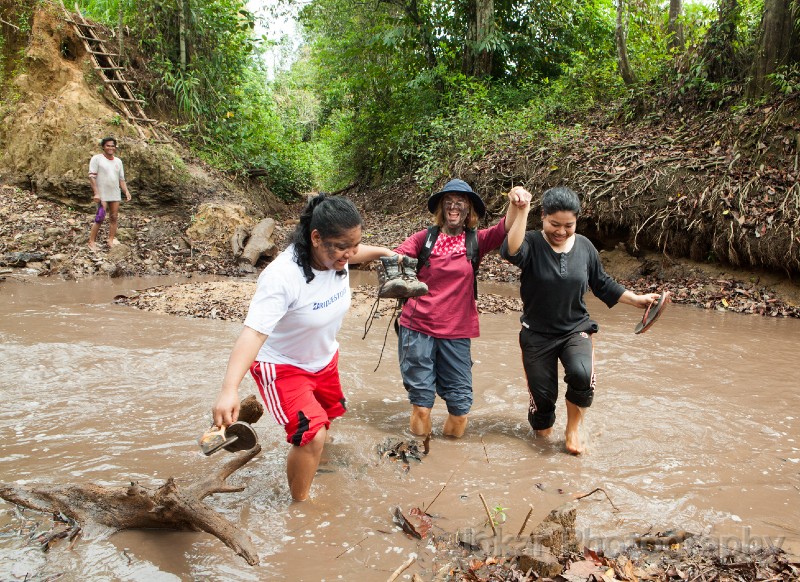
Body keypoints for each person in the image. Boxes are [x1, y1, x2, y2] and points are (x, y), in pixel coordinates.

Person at [211, 194, 396, 502]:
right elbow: (253, 334)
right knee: (312, 435)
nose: (349, 255)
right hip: (282, 367)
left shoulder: (339, 254)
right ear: (315, 237)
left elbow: (358, 251)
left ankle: (315, 461)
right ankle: (301, 505)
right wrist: (229, 388)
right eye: (341, 246)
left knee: (329, 417)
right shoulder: (283, 277)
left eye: (354, 245)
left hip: (324, 361)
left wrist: (388, 253)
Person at [500, 186, 662, 455]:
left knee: (582, 375)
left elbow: (601, 283)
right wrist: (522, 209)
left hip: (574, 330)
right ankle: (542, 440)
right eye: (554, 224)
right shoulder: (531, 242)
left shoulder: (585, 247)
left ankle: (572, 430)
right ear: (542, 217)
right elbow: (510, 250)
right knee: (542, 400)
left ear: (577, 221)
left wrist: (636, 299)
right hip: (536, 334)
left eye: (568, 225)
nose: (561, 231)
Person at [393, 179, 531, 438]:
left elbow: (505, 228)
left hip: (457, 333)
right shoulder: (424, 239)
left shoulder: (476, 241)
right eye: (449, 203)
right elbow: (397, 256)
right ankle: (424, 460)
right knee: (422, 406)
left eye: (460, 203)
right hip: (417, 328)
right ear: (442, 209)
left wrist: (516, 201)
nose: (454, 207)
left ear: (469, 211)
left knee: (460, 409)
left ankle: (448, 457)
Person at [88, 136, 131, 250]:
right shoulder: (97, 159)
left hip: (115, 193)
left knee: (114, 217)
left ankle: (110, 239)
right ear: (103, 147)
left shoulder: (118, 161)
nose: (110, 148)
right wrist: (96, 193)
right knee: (100, 217)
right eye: (108, 145)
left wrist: (126, 191)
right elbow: (92, 177)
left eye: (112, 146)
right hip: (102, 194)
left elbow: (121, 179)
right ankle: (91, 241)